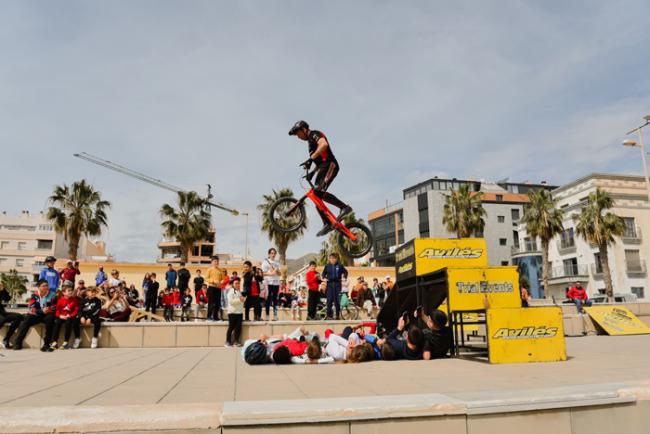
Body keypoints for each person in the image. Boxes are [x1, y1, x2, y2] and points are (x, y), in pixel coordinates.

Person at [288, 120, 352, 236]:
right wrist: (312, 172)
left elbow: (324, 145)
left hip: (330, 165)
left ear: (304, 129)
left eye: (298, 134)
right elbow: (320, 162)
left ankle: (344, 208)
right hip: (323, 167)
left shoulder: (314, 134)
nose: (298, 137)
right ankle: (327, 223)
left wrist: (311, 159)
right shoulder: (310, 143)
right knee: (316, 195)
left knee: (318, 192)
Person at [13, 280, 57, 351]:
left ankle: (46, 344)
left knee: (50, 319)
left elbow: (54, 307)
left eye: (47, 285)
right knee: (27, 320)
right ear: (39, 287)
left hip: (48, 314)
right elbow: (31, 307)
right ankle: (18, 342)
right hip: (37, 314)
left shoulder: (52, 295)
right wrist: (41, 311)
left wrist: (48, 310)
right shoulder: (34, 295)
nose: (46, 287)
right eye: (44, 286)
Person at [51, 282, 80, 350]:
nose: (71, 292)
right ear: (64, 292)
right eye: (69, 291)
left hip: (70, 317)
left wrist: (70, 315)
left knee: (68, 323)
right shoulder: (60, 300)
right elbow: (57, 310)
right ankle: (54, 342)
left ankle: (66, 342)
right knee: (57, 323)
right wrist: (60, 316)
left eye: (71, 290)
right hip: (62, 316)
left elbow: (76, 310)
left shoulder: (74, 300)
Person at [321, 253, 348, 319]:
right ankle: (329, 315)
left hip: (337, 284)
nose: (332, 259)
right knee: (329, 300)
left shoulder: (340, 265)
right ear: (329, 259)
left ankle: (337, 315)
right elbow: (323, 273)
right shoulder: (327, 266)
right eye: (331, 258)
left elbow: (345, 272)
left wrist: (344, 277)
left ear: (336, 259)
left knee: (337, 301)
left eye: (334, 258)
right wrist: (324, 277)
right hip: (330, 284)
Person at [0, 282, 23, 349]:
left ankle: (6, 339)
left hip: (2, 314)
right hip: (1, 316)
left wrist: (3, 290)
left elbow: (7, 298)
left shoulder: (1, 291)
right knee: (1, 319)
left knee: (18, 316)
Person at [262, 248, 281, 321]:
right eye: (271, 253)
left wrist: (277, 271)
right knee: (268, 300)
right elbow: (262, 273)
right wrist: (270, 273)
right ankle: (267, 315)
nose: (273, 255)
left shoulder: (277, 263)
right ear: (269, 254)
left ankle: (275, 315)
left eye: (274, 253)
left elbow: (280, 274)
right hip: (268, 283)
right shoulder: (265, 262)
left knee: (275, 300)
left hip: (276, 283)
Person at [225, 279, 245, 347]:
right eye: (236, 283)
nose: (238, 285)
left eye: (238, 283)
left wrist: (242, 300)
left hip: (239, 312)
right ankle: (227, 341)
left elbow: (240, 301)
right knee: (231, 327)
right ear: (233, 284)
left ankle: (236, 341)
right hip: (232, 312)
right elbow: (231, 302)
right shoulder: (230, 292)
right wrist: (240, 300)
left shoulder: (239, 292)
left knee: (238, 328)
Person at [205, 256, 226, 321]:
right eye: (215, 261)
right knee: (211, 303)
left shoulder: (221, 270)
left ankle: (215, 317)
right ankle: (209, 316)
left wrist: (221, 282)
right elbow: (206, 278)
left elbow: (223, 279)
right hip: (211, 288)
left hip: (218, 288)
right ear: (212, 262)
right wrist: (213, 281)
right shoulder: (209, 269)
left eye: (217, 261)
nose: (216, 262)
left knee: (217, 303)